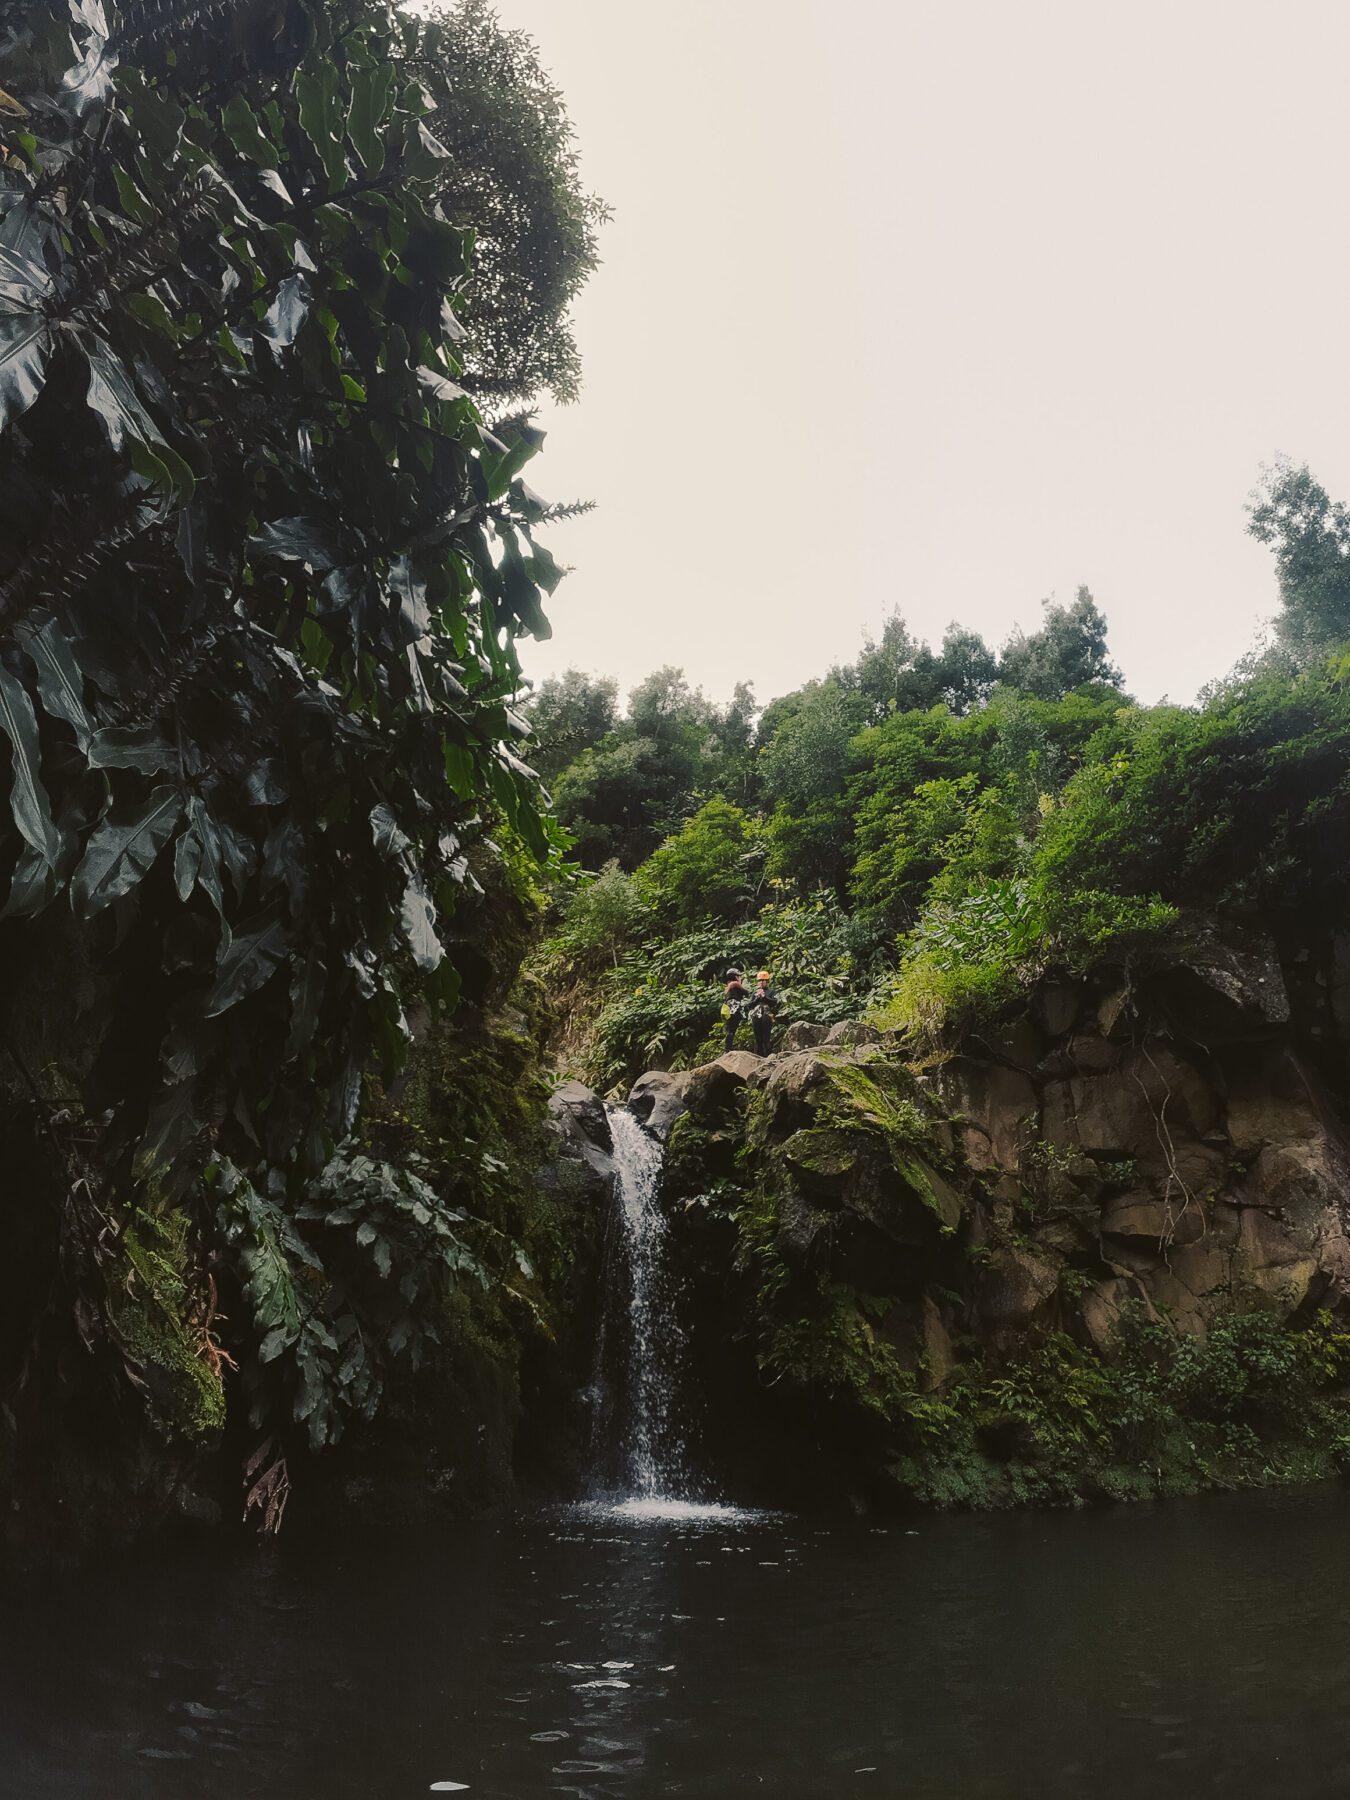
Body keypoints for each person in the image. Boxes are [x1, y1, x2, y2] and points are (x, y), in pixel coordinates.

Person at [749, 968, 781, 1055]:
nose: (761, 982)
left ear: (767, 981)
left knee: (766, 1037)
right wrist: (756, 998)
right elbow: (749, 1005)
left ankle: (767, 1055)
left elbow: (775, 1002)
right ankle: (758, 1056)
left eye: (763, 980)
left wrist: (764, 997)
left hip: (767, 1016)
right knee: (757, 1038)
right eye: (760, 980)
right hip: (756, 1016)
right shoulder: (754, 993)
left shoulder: (772, 992)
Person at [721, 967, 749, 1051]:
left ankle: (728, 1048)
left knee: (730, 1029)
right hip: (734, 1008)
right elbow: (746, 992)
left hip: (729, 1009)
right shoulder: (735, 984)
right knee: (732, 1029)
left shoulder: (728, 987)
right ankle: (728, 1049)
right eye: (738, 976)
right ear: (735, 977)